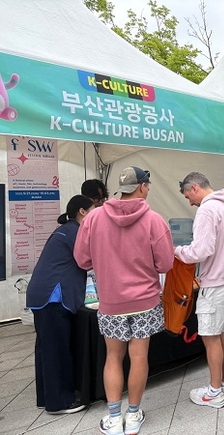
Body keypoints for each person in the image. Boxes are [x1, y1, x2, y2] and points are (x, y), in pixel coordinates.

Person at [74, 167, 174, 435]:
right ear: (142, 187)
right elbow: (165, 263)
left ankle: (114, 417)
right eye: (148, 185)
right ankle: (133, 415)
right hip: (145, 301)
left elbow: (82, 259)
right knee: (139, 357)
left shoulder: (93, 218)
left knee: (113, 357)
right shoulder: (154, 220)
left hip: (111, 301)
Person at [175, 172, 224, 409]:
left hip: (215, 283)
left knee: (211, 337)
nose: (190, 202)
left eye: (188, 196)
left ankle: (214, 392)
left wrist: (177, 251)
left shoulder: (207, 209)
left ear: (194, 188)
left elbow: (201, 251)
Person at [26, 195, 95, 415]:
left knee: (45, 348)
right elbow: (88, 260)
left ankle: (46, 397)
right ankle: (60, 402)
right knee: (56, 348)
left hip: (41, 294)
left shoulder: (64, 230)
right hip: (53, 296)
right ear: (82, 211)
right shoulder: (75, 231)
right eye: (94, 209)